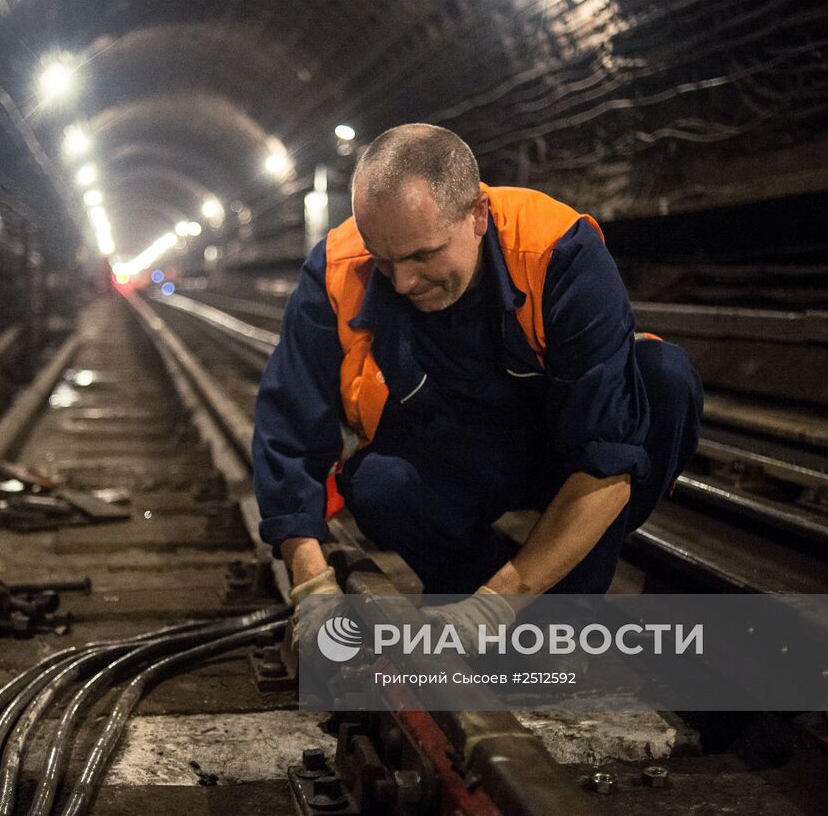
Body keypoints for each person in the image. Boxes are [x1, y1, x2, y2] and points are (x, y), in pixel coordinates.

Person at [252, 124, 702, 630]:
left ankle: (566, 611)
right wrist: (311, 581)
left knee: (664, 378)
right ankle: (466, 588)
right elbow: (289, 425)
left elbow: (606, 453)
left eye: (424, 255)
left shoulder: (557, 250)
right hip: (453, 455)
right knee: (379, 484)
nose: (403, 282)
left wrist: (502, 600)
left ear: (478, 215)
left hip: (562, 452)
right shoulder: (338, 266)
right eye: (384, 260)